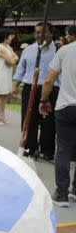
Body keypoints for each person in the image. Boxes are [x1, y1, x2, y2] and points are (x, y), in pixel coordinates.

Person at [13, 21, 59, 161]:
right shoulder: (28, 50)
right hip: (29, 87)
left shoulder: (58, 51)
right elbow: (20, 71)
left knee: (49, 121)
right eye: (37, 32)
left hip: (51, 89)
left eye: (43, 32)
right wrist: (14, 86)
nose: (39, 35)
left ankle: (46, 151)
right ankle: (28, 147)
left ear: (50, 33)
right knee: (29, 119)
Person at [40, 33, 76, 207]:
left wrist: (43, 100)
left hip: (66, 106)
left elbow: (49, 80)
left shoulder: (64, 50)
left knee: (63, 148)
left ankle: (61, 193)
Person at [0, 29, 18, 126]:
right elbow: (12, 61)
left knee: (5, 95)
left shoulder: (8, 47)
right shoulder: (0, 47)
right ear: (5, 36)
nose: (12, 38)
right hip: (1, 74)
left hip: (7, 74)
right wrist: (12, 59)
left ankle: (2, 116)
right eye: (10, 36)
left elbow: (15, 57)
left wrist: (12, 59)